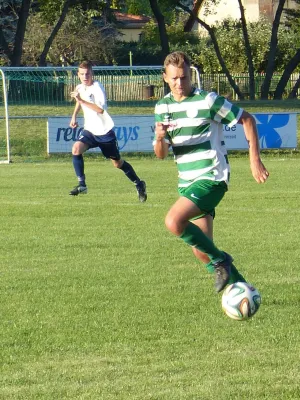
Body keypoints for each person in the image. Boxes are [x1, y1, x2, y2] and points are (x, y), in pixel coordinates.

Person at [153, 51, 269, 293]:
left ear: (190, 76)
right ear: (165, 78)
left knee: (174, 221)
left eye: (184, 78)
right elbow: (161, 154)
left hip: (212, 177)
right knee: (201, 250)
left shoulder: (208, 101)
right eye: (174, 79)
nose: (179, 83)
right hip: (186, 181)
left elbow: (247, 120)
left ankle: (221, 261)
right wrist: (159, 138)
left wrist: (254, 159)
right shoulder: (162, 107)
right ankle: (242, 290)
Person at [69, 60, 147, 202]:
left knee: (117, 163)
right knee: (76, 149)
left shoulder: (98, 88)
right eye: (82, 74)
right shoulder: (80, 87)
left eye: (87, 74)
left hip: (105, 132)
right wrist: (74, 115)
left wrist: (81, 100)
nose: (85, 76)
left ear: (92, 73)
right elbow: (78, 102)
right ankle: (82, 184)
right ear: (78, 75)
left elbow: (100, 109)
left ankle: (138, 183)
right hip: (90, 131)